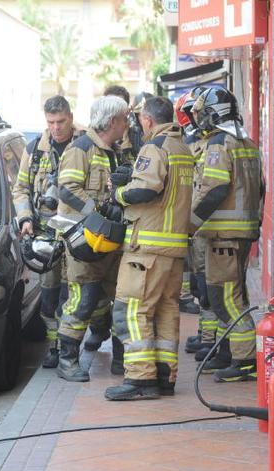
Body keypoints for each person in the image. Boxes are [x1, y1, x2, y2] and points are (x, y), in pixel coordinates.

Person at [104, 97, 195, 400]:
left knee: (131, 310)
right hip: (174, 249)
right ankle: (164, 376)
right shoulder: (182, 148)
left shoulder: (155, 147)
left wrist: (118, 194)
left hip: (148, 246)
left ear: (147, 120)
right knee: (167, 309)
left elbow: (146, 189)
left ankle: (141, 380)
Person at [190, 87, 264, 382]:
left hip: (225, 235)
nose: (199, 121)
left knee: (227, 298)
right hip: (239, 231)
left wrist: (189, 223)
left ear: (213, 115)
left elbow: (215, 188)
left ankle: (245, 360)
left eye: (202, 114)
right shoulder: (246, 142)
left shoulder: (220, 144)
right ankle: (225, 352)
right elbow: (260, 187)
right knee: (224, 294)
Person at [55, 95, 130, 381]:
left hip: (110, 242)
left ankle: (121, 362)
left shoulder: (114, 151)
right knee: (83, 301)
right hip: (84, 243)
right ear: (112, 121)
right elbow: (68, 190)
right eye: (124, 119)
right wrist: (98, 210)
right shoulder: (81, 149)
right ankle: (68, 361)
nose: (126, 125)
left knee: (120, 300)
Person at [12, 95, 84, 369]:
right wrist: (25, 218)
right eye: (51, 122)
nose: (56, 127)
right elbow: (21, 189)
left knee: (75, 297)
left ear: (70, 117)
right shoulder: (34, 150)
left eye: (61, 121)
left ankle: (71, 348)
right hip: (46, 238)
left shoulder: (83, 146)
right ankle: (54, 348)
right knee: (50, 298)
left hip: (77, 236)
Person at [177, 87, 220, 357]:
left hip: (209, 226)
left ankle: (211, 339)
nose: (193, 118)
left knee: (208, 288)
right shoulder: (194, 141)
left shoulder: (217, 144)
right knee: (198, 285)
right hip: (195, 225)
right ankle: (205, 335)